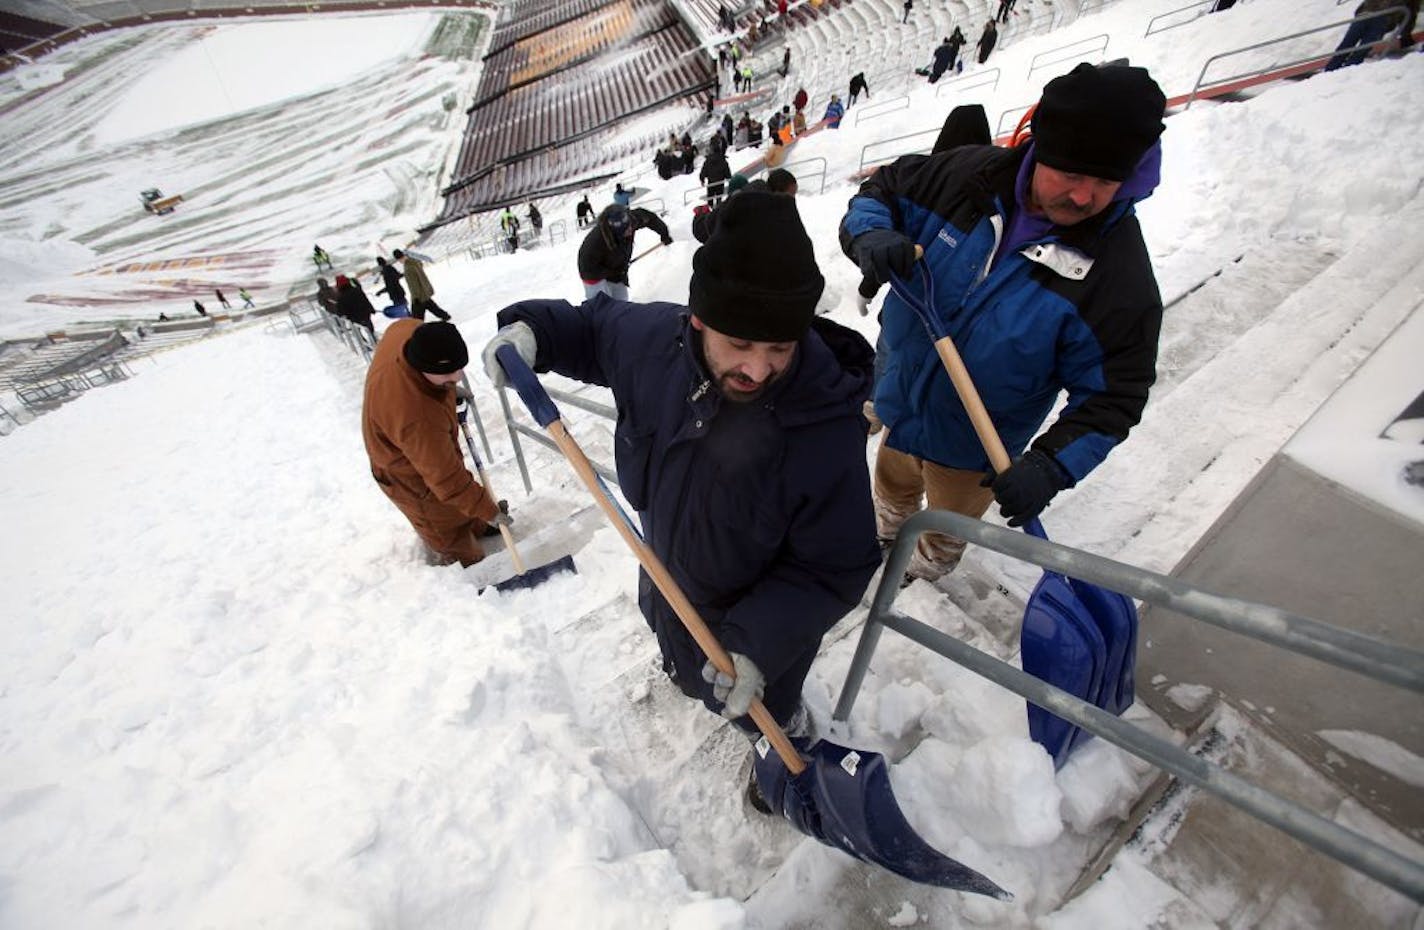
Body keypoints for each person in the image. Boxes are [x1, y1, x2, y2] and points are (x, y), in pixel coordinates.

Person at [481, 191, 879, 810]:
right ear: (698, 319)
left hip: (755, 628)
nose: (759, 369)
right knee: (674, 641)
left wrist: (758, 643)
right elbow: (592, 327)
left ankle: (783, 740)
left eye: (780, 349)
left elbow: (836, 564)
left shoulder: (824, 430)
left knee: (761, 709)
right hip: (666, 571)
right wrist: (532, 331)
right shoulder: (653, 344)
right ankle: (682, 664)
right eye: (740, 345)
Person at [839, 62, 1167, 583]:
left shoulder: (1118, 279)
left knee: (949, 518)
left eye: (1105, 181)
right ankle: (887, 529)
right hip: (902, 396)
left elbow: (1114, 398)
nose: (1083, 196)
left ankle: (929, 565)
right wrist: (869, 235)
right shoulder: (963, 178)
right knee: (893, 479)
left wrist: (1051, 465)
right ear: (1040, 149)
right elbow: (881, 194)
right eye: (1072, 173)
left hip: (976, 445)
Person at [362, 319, 510, 567]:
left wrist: (447, 391)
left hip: (416, 435)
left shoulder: (409, 332)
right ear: (421, 366)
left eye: (459, 368)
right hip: (403, 471)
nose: (458, 376)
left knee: (457, 495)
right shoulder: (415, 416)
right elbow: (447, 480)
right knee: (440, 519)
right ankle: (463, 559)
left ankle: (476, 523)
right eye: (448, 373)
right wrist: (490, 510)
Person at [578, 203, 671, 300]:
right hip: (594, 275)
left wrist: (664, 233)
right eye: (626, 230)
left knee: (622, 303)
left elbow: (650, 218)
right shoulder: (595, 242)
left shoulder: (632, 220)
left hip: (616, 270)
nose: (630, 230)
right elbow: (587, 270)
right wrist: (612, 272)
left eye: (630, 226)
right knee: (601, 306)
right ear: (615, 231)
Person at [1325, 0, 1417, 70]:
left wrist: (1359, 14)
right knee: (1361, 49)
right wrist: (1406, 34)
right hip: (1382, 18)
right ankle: (1345, 70)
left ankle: (1332, 70)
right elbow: (1410, 12)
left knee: (1347, 45)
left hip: (1367, 15)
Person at [393, 249, 451, 321]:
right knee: (431, 306)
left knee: (417, 317)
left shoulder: (408, 268)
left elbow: (413, 285)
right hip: (425, 290)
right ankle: (445, 316)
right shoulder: (415, 262)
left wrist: (415, 297)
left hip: (419, 296)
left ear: (398, 259)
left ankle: (418, 328)